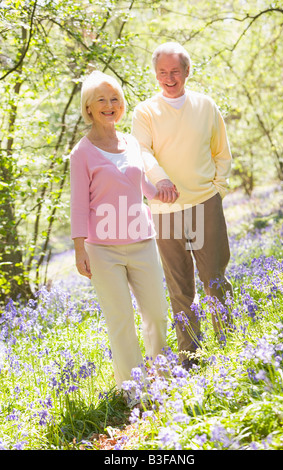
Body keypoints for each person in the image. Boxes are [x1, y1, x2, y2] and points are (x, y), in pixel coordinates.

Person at [70, 70, 170, 406]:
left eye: (115, 99)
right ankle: (135, 395)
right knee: (121, 320)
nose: (109, 105)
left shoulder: (131, 143)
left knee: (156, 313)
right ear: (88, 108)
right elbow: (79, 204)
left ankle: (163, 381)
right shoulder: (81, 153)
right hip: (103, 251)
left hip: (142, 241)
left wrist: (162, 193)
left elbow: (141, 187)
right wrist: (79, 248)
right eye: (101, 99)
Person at [132, 42, 233, 370]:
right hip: (166, 212)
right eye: (162, 72)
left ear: (187, 71)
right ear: (155, 74)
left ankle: (230, 343)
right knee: (179, 287)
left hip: (204, 203)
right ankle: (190, 356)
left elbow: (221, 152)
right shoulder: (145, 112)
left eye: (175, 71)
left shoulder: (205, 105)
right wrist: (160, 180)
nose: (169, 78)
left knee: (214, 277)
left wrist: (216, 189)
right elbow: (142, 152)